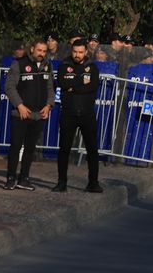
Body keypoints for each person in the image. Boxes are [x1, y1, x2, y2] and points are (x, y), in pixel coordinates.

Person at [52, 39, 103, 193]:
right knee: (64, 149)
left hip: (87, 113)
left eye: (81, 52)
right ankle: (62, 182)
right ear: (71, 50)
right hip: (68, 113)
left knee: (92, 149)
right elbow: (61, 83)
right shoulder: (64, 65)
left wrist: (73, 87)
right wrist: (80, 83)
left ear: (86, 52)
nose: (77, 55)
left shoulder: (92, 67)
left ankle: (93, 182)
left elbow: (92, 87)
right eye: (75, 51)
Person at [3, 40, 55, 190]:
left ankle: (24, 178)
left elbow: (51, 87)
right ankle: (11, 177)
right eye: (39, 50)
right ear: (32, 49)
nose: (41, 54)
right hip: (20, 114)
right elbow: (9, 87)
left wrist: (48, 105)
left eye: (44, 51)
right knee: (15, 146)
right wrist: (19, 105)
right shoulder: (18, 64)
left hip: (38, 115)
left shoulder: (47, 65)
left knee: (30, 148)